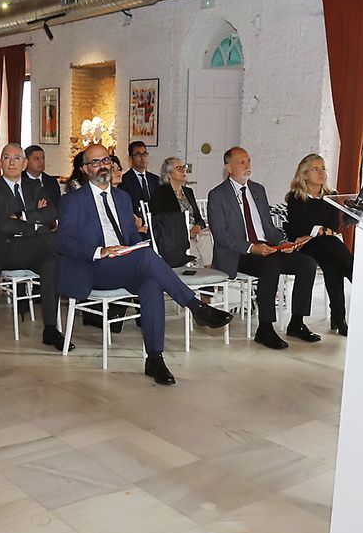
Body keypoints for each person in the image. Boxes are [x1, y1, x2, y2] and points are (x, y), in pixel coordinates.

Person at [56, 144, 232, 385]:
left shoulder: (122, 198)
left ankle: (154, 359)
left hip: (124, 264)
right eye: (95, 162)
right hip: (93, 267)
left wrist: (137, 244)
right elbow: (63, 242)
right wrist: (100, 251)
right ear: (85, 169)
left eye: (106, 160)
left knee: (151, 284)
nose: (102, 166)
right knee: (146, 257)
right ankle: (196, 307)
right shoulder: (73, 200)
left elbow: (130, 235)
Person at [207, 147, 321, 350]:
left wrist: (283, 243)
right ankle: (265, 328)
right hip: (238, 254)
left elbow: (267, 226)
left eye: (249, 161)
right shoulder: (217, 195)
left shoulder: (258, 190)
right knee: (272, 265)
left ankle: (297, 323)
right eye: (242, 162)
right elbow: (221, 235)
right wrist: (252, 248)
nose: (247, 165)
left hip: (267, 249)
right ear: (228, 168)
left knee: (307, 263)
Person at [0, 143, 68, 348]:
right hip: (6, 250)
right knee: (55, 239)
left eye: (17, 158)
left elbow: (51, 212)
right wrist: (37, 224)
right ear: (0, 162)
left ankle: (50, 329)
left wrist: (22, 215)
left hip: (34, 248)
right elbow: (3, 225)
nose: (11, 163)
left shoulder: (34, 186)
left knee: (51, 263)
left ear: (25, 163)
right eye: (6, 158)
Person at [284, 154, 354, 336]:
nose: (322, 173)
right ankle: (356, 283)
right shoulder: (295, 198)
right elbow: (297, 227)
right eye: (316, 169)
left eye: (323, 168)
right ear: (305, 174)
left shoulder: (332, 196)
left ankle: (339, 318)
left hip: (325, 245)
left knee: (332, 262)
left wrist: (316, 230)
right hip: (306, 246)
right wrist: (320, 230)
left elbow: (333, 226)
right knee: (333, 250)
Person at [150, 156, 207, 268]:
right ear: (169, 174)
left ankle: (208, 271)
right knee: (200, 243)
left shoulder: (188, 191)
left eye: (184, 167)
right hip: (175, 235)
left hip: (195, 233)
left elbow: (199, 218)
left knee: (207, 236)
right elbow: (163, 221)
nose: (184, 171)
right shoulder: (160, 193)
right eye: (179, 168)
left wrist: (198, 226)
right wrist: (186, 231)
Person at [119, 140, 160, 209]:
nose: (142, 158)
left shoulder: (155, 179)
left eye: (145, 154)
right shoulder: (125, 180)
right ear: (130, 158)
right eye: (138, 155)